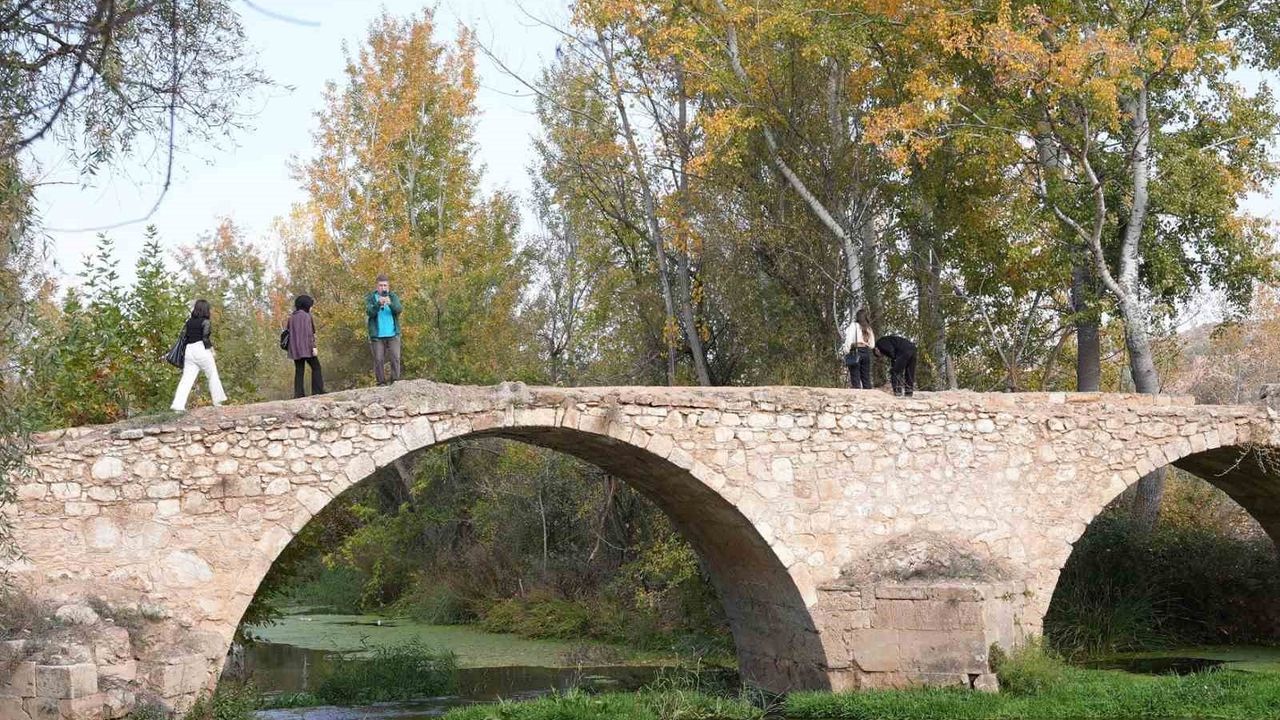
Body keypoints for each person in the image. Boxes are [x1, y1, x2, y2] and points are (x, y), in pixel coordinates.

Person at [170, 299, 228, 411]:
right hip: (201, 349)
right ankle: (217, 401)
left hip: (189, 351)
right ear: (206, 309)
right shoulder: (205, 322)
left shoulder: (188, 322)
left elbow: (185, 338)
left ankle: (178, 405)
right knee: (212, 375)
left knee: (186, 379)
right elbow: (205, 338)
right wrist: (212, 350)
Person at [364, 274, 403, 385]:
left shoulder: (393, 296)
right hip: (377, 335)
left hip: (393, 334)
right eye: (381, 285)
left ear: (388, 286)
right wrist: (378, 304)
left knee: (395, 358)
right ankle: (381, 382)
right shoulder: (371, 298)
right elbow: (369, 312)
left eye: (385, 285)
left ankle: (395, 380)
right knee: (379, 360)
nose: (383, 288)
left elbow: (399, 310)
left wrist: (390, 303)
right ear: (377, 286)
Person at [287, 294, 325, 398]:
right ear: (306, 305)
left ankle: (298, 394)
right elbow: (310, 333)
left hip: (295, 349)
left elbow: (288, 332)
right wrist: (313, 347)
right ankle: (318, 391)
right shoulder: (307, 316)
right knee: (316, 367)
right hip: (307, 348)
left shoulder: (291, 317)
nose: (311, 308)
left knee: (299, 370)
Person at [842, 308, 875, 389]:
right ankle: (869, 397)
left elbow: (849, 340)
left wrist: (846, 351)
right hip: (866, 353)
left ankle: (857, 397)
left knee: (855, 377)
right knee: (866, 378)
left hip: (856, 351)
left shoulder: (854, 325)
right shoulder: (869, 328)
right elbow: (872, 345)